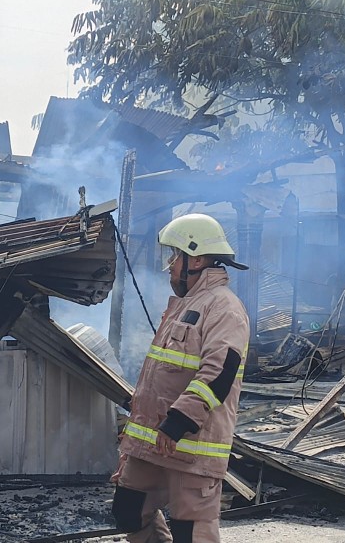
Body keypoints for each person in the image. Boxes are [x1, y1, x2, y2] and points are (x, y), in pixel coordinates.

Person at [111, 213, 251, 543]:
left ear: (197, 258)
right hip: (153, 441)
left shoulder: (224, 307)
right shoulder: (187, 304)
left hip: (191, 443)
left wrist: (179, 420)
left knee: (191, 532)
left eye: (175, 256)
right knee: (128, 512)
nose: (170, 265)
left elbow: (219, 372)